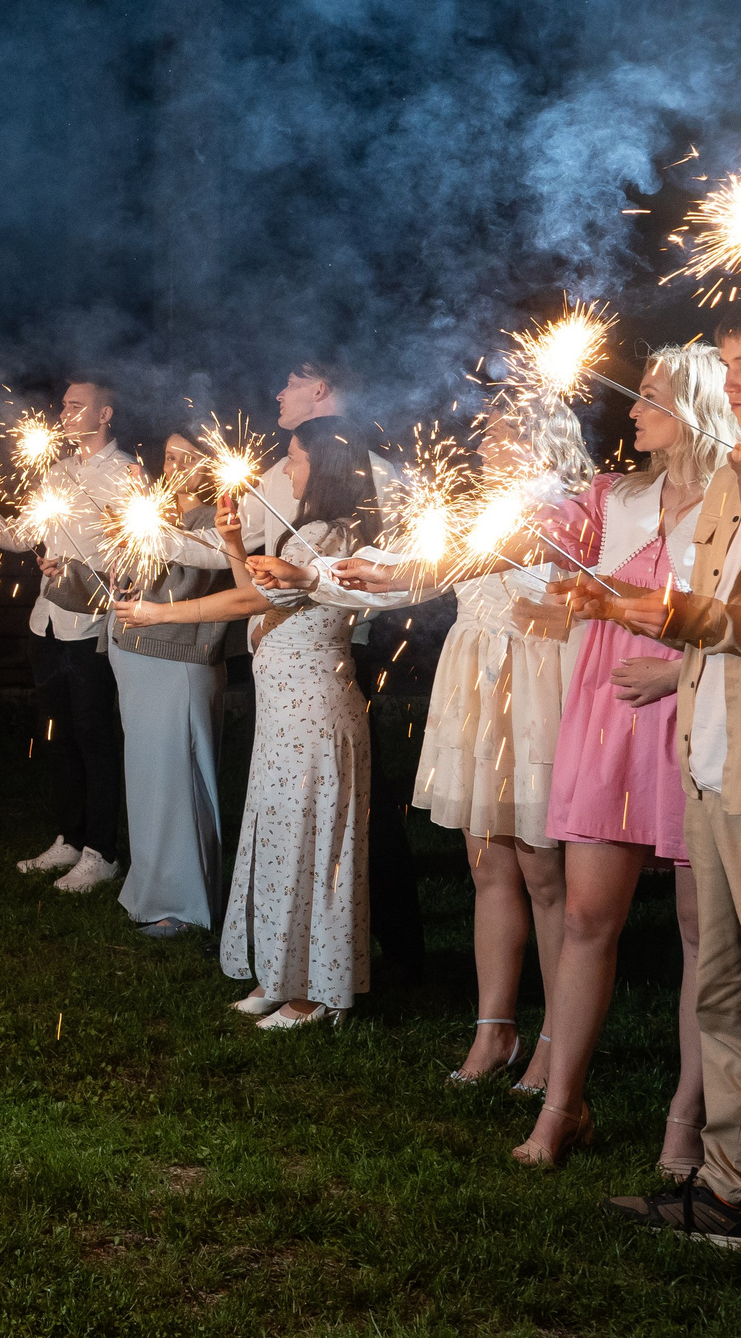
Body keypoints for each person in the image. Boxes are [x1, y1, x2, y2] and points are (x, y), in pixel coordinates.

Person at [512, 342, 733, 1169]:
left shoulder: (731, 502)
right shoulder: (614, 494)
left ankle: (686, 1120)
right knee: (583, 916)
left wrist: (677, 670)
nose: (632, 411)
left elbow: (725, 622)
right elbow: (529, 538)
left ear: (693, 411)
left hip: (690, 721)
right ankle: (562, 1108)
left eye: (648, 398)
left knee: (698, 933)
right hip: (607, 718)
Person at [331, 395, 591, 1093]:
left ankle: (555, 1041)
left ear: (541, 438)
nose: (483, 445)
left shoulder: (568, 507)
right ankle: (493, 1030)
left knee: (544, 875)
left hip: (533, 689)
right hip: (478, 687)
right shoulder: (489, 509)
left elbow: (455, 562)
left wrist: (403, 571)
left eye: (501, 433)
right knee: (486, 870)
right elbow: (429, 566)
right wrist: (345, 574)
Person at [587, 323, 741, 1239]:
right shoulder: (729, 480)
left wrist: (667, 614)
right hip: (712, 764)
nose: (726, 376)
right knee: (719, 985)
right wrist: (615, 601)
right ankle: (726, 1190)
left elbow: (713, 613)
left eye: (735, 363)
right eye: (724, 365)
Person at [250, 358, 431, 989]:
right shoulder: (282, 468)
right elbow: (258, 563)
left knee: (360, 805)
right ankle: (309, 947)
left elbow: (409, 566)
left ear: (320, 390)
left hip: (349, 648)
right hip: (289, 646)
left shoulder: (373, 469)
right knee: (309, 806)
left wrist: (327, 592)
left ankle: (390, 946)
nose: (277, 391)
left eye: (289, 382)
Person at [0, 378, 140, 893]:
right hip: (45, 622)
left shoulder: (126, 474)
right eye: (65, 405)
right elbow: (27, 533)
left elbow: (135, 554)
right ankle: (69, 840)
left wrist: (75, 568)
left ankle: (103, 851)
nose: (66, 412)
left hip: (90, 627)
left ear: (105, 414)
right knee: (59, 736)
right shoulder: (57, 471)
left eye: (78, 405)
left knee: (95, 737)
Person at [220, 416, 379, 1029]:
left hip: (313, 715)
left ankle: (316, 994)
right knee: (283, 841)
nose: (287, 468)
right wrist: (236, 546)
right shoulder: (310, 530)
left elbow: (247, 603)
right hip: (284, 716)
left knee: (311, 845)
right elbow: (261, 595)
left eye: (295, 457)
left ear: (327, 466)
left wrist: (157, 614)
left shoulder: (334, 535)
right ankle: (281, 974)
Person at [100, 429, 236, 937]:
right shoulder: (157, 516)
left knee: (179, 780)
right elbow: (130, 580)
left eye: (188, 456)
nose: (174, 464)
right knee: (150, 779)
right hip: (135, 653)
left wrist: (145, 520)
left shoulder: (214, 521)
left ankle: (184, 907)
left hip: (179, 659)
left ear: (212, 465)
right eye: (168, 455)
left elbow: (206, 563)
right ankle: (151, 889)